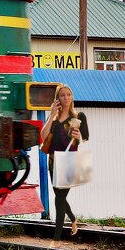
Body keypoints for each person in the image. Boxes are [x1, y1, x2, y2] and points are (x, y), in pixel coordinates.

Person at [39, 85, 88, 241]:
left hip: (69, 161)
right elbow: (43, 135)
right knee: (59, 196)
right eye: (62, 95)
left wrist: (79, 135)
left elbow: (84, 137)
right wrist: (51, 114)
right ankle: (73, 219)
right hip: (53, 160)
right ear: (57, 99)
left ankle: (57, 238)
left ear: (72, 97)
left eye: (68, 95)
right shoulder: (53, 118)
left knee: (59, 198)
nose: (66, 97)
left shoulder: (79, 116)